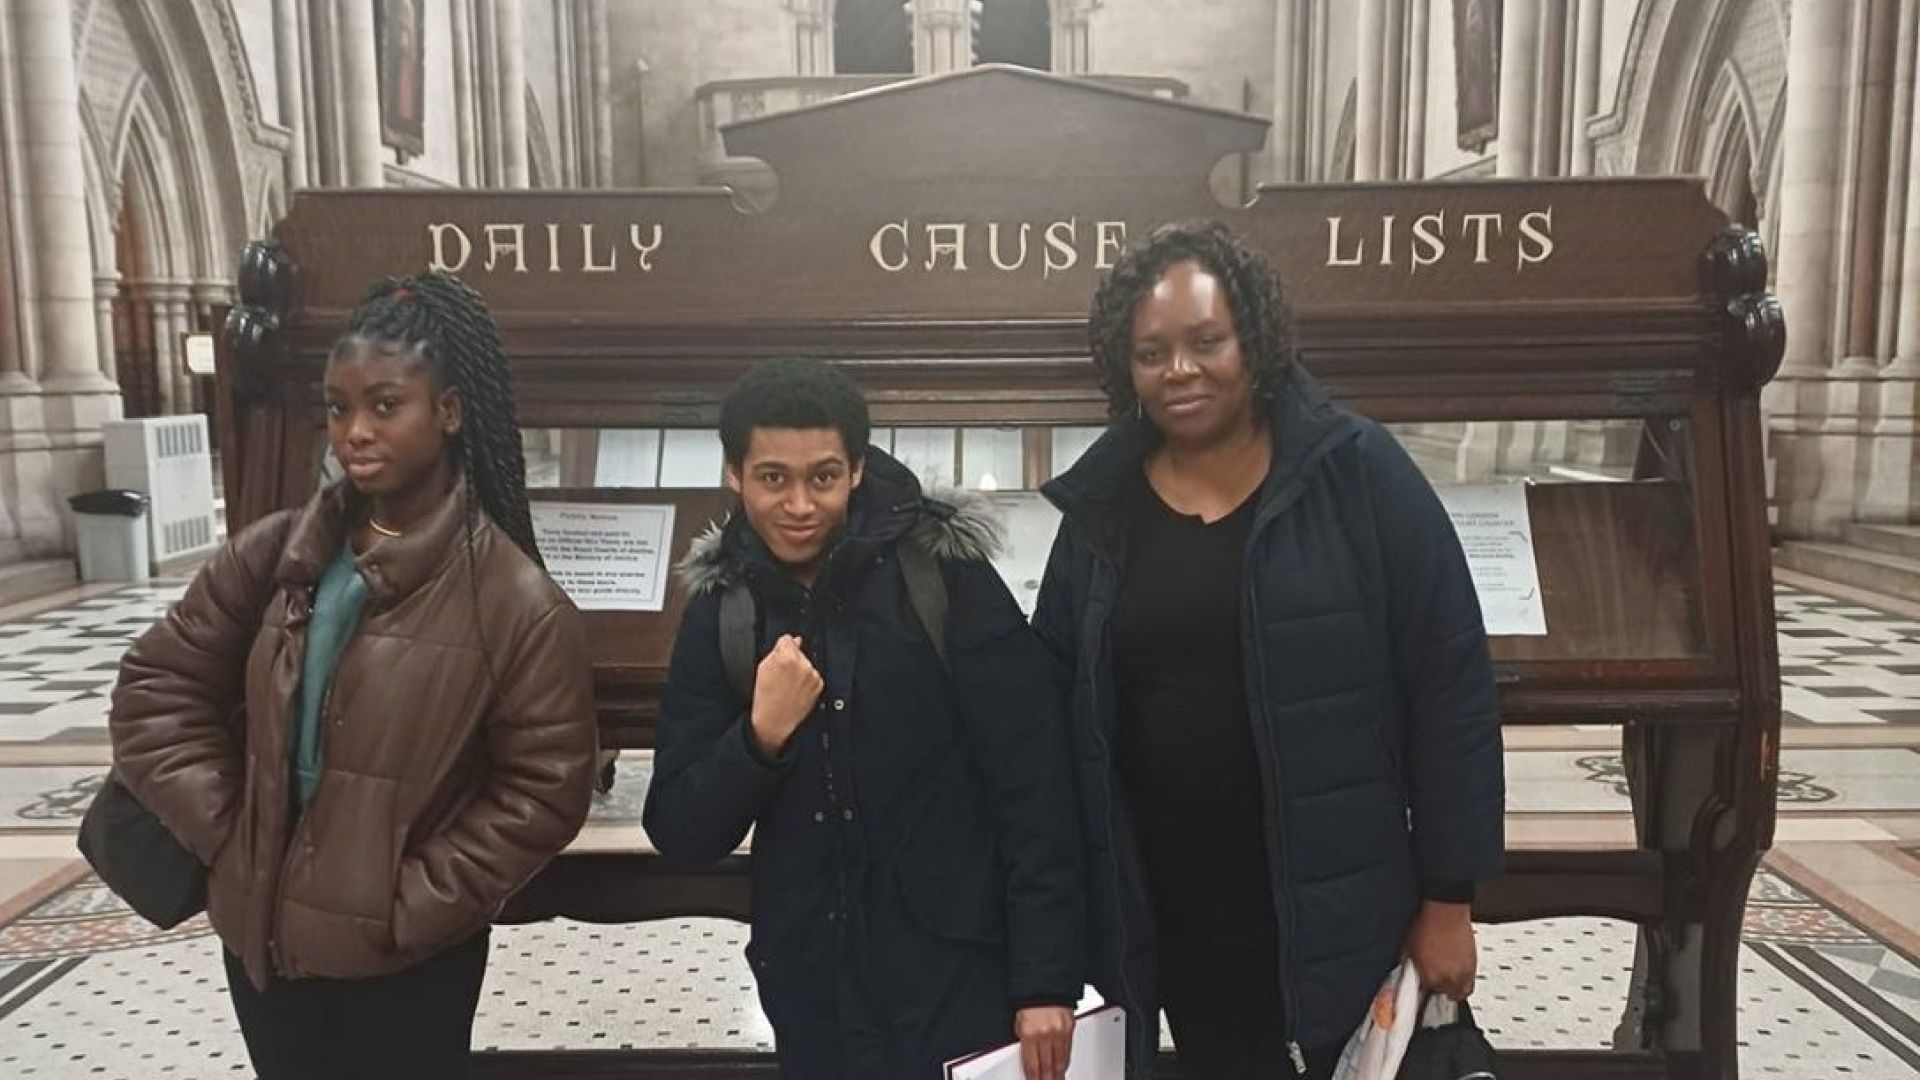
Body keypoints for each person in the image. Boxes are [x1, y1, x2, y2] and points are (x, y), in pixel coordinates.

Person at [1032, 222, 1505, 1080]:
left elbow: (1451, 685)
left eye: (1206, 341)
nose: (1180, 370)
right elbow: (1054, 705)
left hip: (1331, 890)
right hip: (1170, 895)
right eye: (1151, 352)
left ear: (1252, 340)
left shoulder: (1355, 472)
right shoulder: (1102, 507)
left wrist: (1450, 896)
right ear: (1123, 366)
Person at [108, 271, 599, 1080]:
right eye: (339, 407)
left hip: (403, 956)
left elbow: (543, 790)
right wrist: (232, 832)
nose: (355, 432)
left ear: (447, 412)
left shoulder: (514, 602)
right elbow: (156, 689)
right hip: (262, 931)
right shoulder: (273, 552)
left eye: (384, 405)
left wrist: (405, 905)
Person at [644, 358, 1083, 1080]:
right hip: (811, 982)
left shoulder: (944, 577)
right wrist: (760, 738)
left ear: (855, 469)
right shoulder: (724, 614)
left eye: (821, 476)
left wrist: (1045, 981)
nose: (798, 504)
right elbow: (683, 831)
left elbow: (1033, 782)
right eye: (772, 478)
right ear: (734, 475)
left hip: (956, 970)